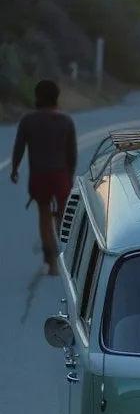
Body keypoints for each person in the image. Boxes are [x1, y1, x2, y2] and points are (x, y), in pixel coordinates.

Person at [10, 80, 77, 276]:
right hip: (60, 174)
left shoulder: (28, 121)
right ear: (56, 97)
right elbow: (71, 153)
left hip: (39, 175)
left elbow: (19, 147)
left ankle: (52, 262)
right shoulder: (66, 121)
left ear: (37, 97)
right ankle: (66, 255)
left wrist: (15, 169)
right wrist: (70, 176)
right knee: (63, 216)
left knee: (44, 214)